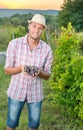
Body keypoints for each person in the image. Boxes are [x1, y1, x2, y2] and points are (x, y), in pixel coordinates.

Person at [4, 13, 53, 130]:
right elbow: (6, 70)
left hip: (35, 94)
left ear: (43, 30)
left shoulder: (47, 49)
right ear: (29, 26)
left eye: (40, 28)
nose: (36, 30)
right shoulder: (14, 44)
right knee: (11, 123)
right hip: (16, 91)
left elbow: (47, 75)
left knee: (34, 125)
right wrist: (21, 68)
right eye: (34, 26)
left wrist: (39, 73)